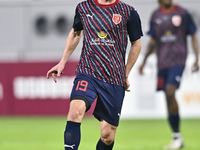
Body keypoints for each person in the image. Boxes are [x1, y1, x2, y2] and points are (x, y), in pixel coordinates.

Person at [47, 0, 143, 149]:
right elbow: (75, 33)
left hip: (114, 77)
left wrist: (125, 73)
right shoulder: (83, 7)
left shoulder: (128, 12)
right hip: (88, 71)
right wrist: (62, 62)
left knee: (107, 137)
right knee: (75, 111)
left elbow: (136, 43)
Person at [139, 0, 199, 149]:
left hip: (178, 61)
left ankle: (177, 138)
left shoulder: (183, 13)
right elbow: (153, 40)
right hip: (162, 63)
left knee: (170, 91)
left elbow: (193, 35)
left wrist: (197, 58)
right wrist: (144, 61)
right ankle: (176, 136)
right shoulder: (155, 15)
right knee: (167, 95)